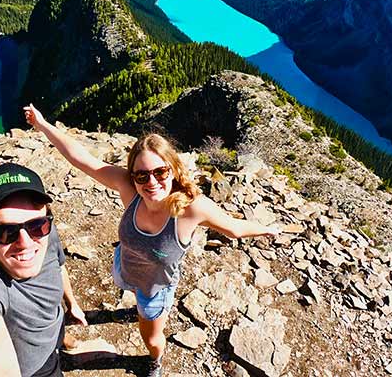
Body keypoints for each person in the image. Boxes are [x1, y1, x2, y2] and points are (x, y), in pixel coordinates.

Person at [24, 104, 280, 377]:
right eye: (142, 175)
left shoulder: (191, 209)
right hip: (126, 269)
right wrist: (42, 124)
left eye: (160, 172)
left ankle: (155, 361)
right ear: (132, 177)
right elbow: (83, 159)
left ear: (173, 170)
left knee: (152, 339)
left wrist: (266, 229)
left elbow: (234, 229)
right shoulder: (131, 191)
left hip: (155, 289)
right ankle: (133, 309)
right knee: (132, 293)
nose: (151, 182)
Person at [0, 162, 87, 377]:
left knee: (56, 330)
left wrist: (72, 304)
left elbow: (59, 266)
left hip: (55, 323)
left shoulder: (46, 233)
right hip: (36, 367)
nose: (25, 242)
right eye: (6, 231)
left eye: (37, 225)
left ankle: (60, 340)